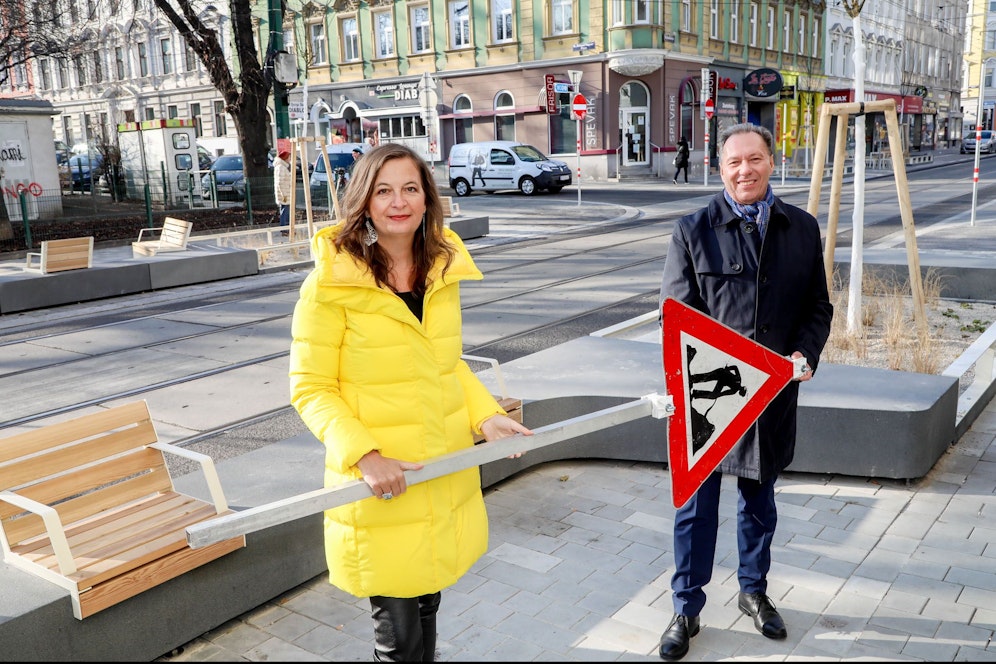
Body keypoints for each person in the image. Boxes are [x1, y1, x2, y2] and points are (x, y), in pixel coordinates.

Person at [289, 143, 533, 662]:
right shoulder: (329, 284)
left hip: (439, 470)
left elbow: (448, 365)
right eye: (383, 190)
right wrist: (365, 455)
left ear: (427, 200)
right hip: (381, 483)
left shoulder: (440, 273)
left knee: (427, 606)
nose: (398, 201)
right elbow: (311, 388)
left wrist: (486, 415)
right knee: (397, 640)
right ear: (364, 202)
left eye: (410, 188)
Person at [656, 123, 833, 661]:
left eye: (754, 159)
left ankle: (753, 592)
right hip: (707, 400)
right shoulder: (693, 230)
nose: (744, 171)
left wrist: (804, 353)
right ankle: (686, 607)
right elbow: (677, 318)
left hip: (773, 399)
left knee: (760, 504)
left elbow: (817, 308)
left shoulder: (800, 228)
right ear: (721, 167)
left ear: (772, 163)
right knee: (695, 511)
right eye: (734, 162)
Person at [273, 148, 293, 233]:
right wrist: (283, 195)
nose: (290, 159)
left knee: (286, 211)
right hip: (284, 194)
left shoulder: (282, 167)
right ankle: (284, 229)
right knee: (285, 211)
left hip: (285, 193)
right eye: (289, 158)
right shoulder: (281, 167)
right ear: (285, 158)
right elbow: (280, 182)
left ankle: (286, 229)